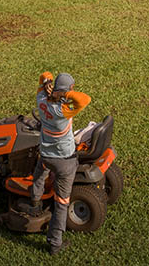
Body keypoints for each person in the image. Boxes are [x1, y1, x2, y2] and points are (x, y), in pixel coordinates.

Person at [30, 70, 91, 255]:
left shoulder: (41, 101)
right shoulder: (63, 110)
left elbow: (43, 74)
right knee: (62, 202)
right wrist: (62, 94)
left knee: (40, 171)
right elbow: (84, 99)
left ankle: (34, 201)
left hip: (46, 156)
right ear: (70, 89)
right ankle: (55, 243)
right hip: (64, 162)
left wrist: (47, 82)